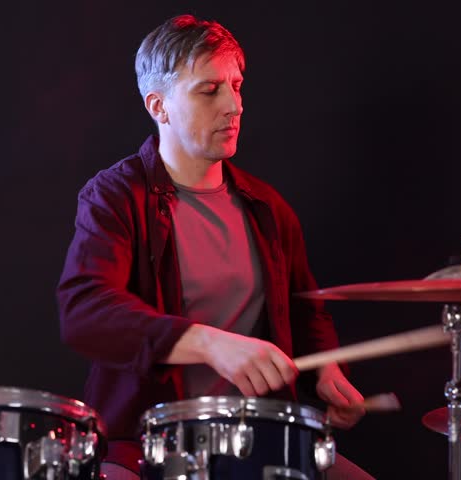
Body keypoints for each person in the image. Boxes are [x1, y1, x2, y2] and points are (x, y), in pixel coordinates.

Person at [57, 14, 371, 479]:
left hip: (260, 440)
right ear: (158, 106)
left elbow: (308, 312)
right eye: (209, 90)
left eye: (237, 85)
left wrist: (327, 373)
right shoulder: (114, 197)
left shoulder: (267, 207)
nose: (234, 105)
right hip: (147, 447)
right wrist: (208, 343)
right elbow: (84, 312)